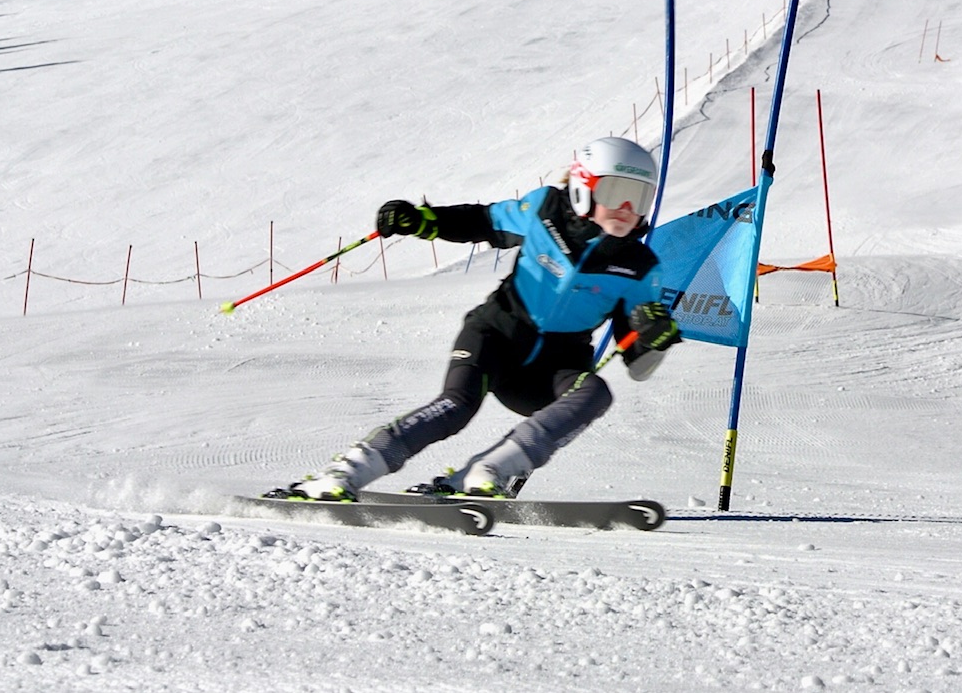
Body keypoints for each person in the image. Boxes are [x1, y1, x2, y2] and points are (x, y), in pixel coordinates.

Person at [284, 137, 683, 501]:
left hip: (551, 370)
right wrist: (424, 221)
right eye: (615, 192)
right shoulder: (546, 209)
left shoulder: (639, 267)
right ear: (582, 187)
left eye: (639, 197)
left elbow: (638, 364)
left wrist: (654, 339)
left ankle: (487, 471)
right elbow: (484, 222)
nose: (626, 209)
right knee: (455, 406)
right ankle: (345, 472)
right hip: (496, 336)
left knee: (596, 393)